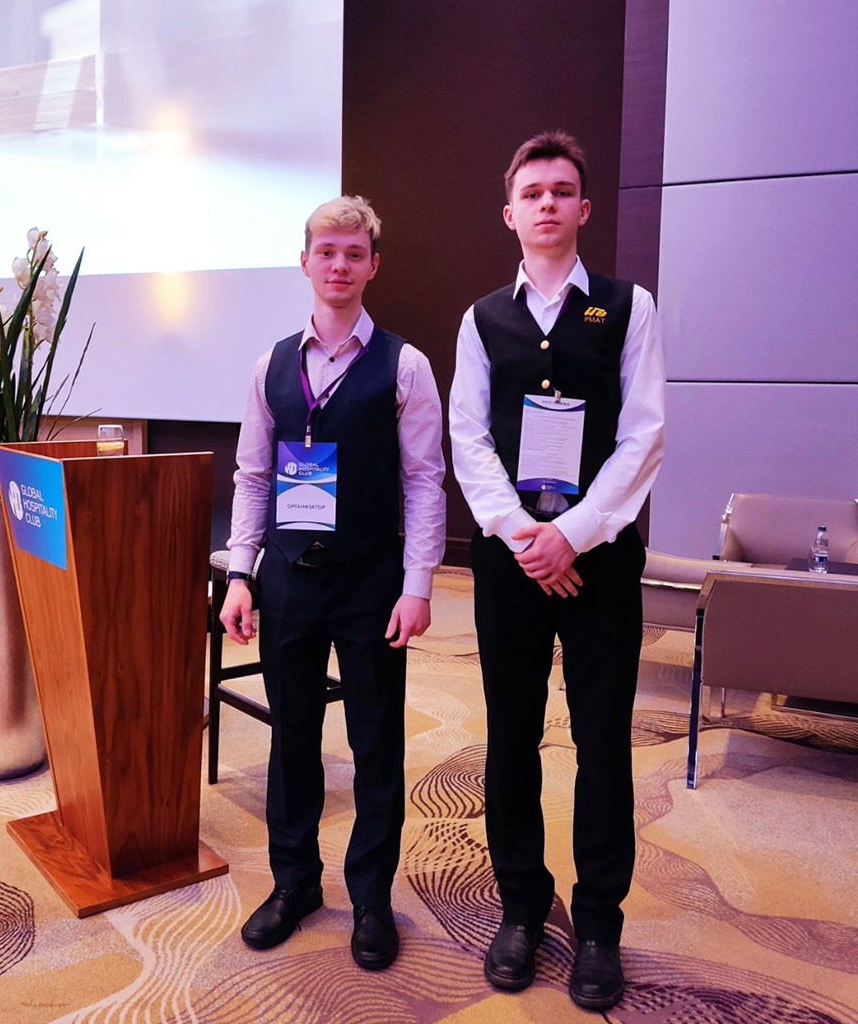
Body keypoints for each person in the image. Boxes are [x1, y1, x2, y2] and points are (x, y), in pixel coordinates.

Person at [448, 131, 664, 1011]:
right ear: (510, 213)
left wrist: (570, 536)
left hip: (600, 564)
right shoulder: (480, 320)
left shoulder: (628, 307)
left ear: (584, 208)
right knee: (512, 737)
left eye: (561, 190)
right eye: (532, 192)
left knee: (603, 742)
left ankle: (600, 924)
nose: (547, 203)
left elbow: (642, 434)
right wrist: (522, 536)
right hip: (509, 565)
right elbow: (468, 438)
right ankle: (521, 908)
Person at [220, 195, 447, 970]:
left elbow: (424, 481)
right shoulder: (271, 365)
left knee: (375, 741)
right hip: (288, 578)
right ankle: (294, 884)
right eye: (327, 251)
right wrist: (241, 573)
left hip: (371, 581)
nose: (340, 265)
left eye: (354, 253)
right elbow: (252, 476)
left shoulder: (405, 366)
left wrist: (418, 583)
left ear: (373, 265)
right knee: (292, 738)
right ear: (306, 261)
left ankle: (371, 898)